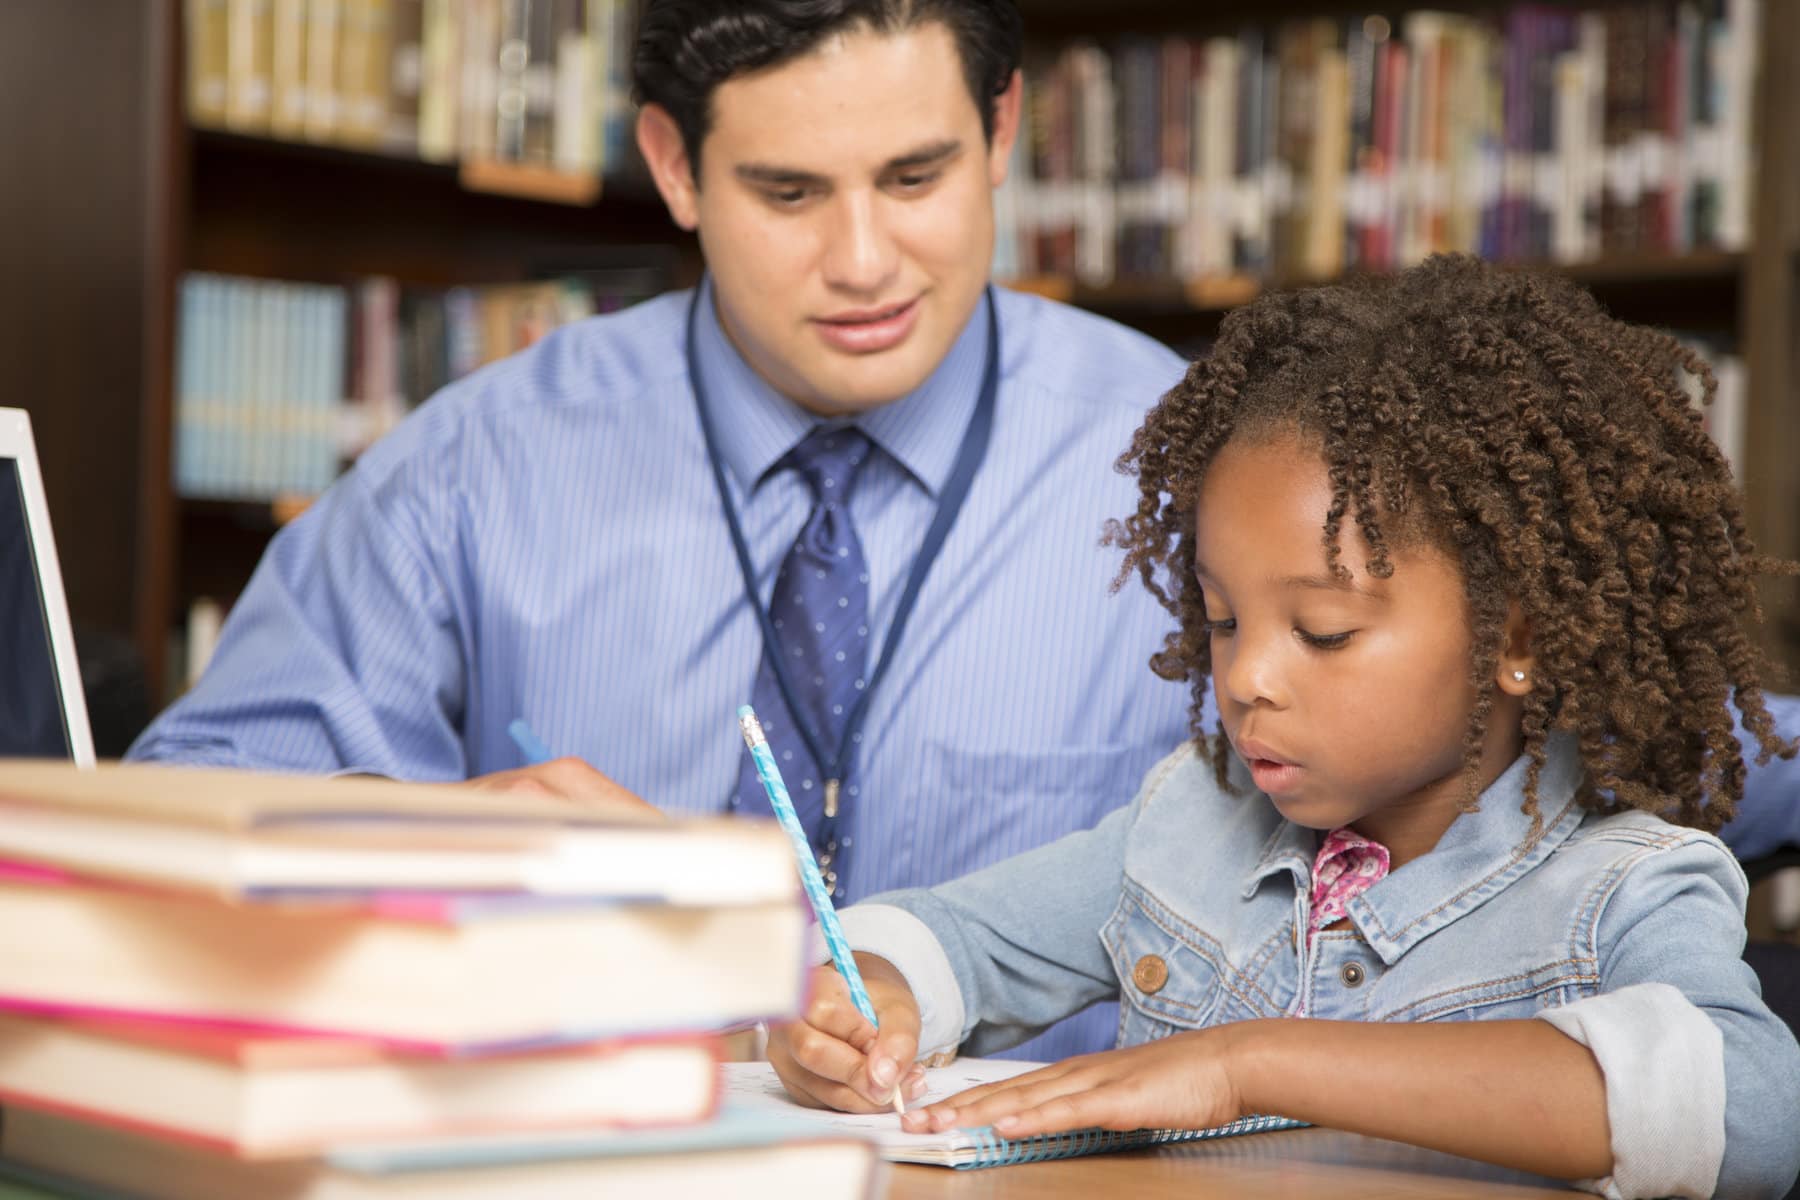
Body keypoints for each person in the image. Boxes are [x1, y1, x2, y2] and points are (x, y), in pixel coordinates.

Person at [127, 1, 1798, 1059]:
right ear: (673, 167)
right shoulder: (476, 466)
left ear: (1003, 136)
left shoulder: (1216, 479)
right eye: (789, 194)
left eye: (918, 177)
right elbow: (156, 830)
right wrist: (406, 840)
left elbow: (1652, 713)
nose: (866, 260)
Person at [768, 257, 1800, 1199]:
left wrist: (1244, 1064)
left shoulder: (1619, 889)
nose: (1247, 676)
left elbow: (1753, 1112)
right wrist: (867, 1001)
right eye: (1222, 620)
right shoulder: (1190, 829)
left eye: (1325, 631)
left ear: (1512, 639)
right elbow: (957, 941)